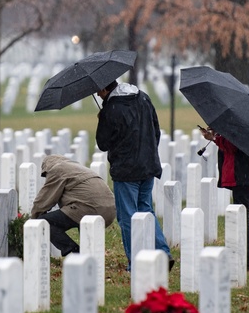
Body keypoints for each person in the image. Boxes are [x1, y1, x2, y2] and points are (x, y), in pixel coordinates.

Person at [94, 79, 173, 269]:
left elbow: (102, 143)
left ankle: (135, 261)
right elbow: (156, 131)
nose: (97, 94)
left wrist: (102, 119)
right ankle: (162, 253)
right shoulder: (143, 98)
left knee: (128, 216)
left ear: (106, 88)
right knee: (146, 209)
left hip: (126, 170)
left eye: (98, 91)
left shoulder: (111, 109)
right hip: (148, 165)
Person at [199, 126, 249, 272]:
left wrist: (214, 138)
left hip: (242, 175)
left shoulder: (241, 127)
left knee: (244, 218)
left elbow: (232, 146)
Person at [30, 155, 116, 256]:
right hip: (109, 211)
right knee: (80, 219)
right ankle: (89, 254)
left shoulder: (57, 169)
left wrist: (33, 222)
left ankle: (74, 251)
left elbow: (44, 200)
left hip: (88, 209)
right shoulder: (78, 168)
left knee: (44, 222)